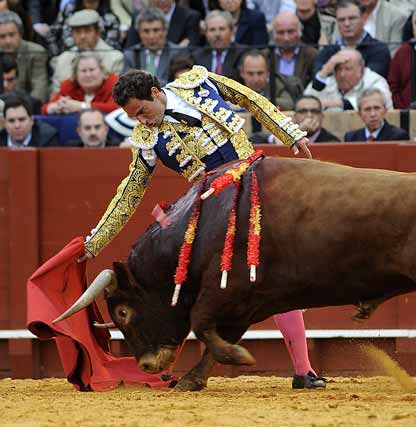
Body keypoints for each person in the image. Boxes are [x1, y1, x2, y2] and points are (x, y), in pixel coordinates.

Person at [76, 66, 323, 389]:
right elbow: (130, 192)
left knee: (277, 275)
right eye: (134, 118)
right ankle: (166, 364)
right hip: (214, 210)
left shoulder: (199, 82)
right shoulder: (147, 141)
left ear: (155, 93)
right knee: (187, 283)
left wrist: (290, 133)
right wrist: (94, 241)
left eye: (142, 112)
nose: (143, 121)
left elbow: (250, 99)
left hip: (257, 185)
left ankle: (303, 371)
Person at [49, 9, 125, 97]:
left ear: (98, 33)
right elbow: (55, 95)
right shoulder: (62, 59)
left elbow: (117, 95)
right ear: (72, 35)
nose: (82, 36)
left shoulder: (115, 58)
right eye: (77, 32)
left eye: (87, 31)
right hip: (68, 108)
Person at [313, 0, 390, 78]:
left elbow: (370, 81)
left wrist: (330, 71)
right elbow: (317, 84)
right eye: (341, 20)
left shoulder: (378, 50)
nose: (347, 24)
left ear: (363, 19)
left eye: (352, 18)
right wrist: (330, 65)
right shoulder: (327, 52)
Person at [304, 47, 393, 112]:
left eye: (348, 69)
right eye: (338, 69)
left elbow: (377, 103)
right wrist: (325, 70)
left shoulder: (375, 81)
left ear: (361, 70)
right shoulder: (328, 80)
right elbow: (305, 101)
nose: (342, 74)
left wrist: (335, 103)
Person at [123, 7, 185, 86]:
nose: (151, 36)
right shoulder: (131, 54)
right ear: (139, 33)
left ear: (165, 31)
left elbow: (180, 84)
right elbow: (125, 86)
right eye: (146, 31)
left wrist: (148, 79)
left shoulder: (178, 53)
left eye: (156, 30)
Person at [43, 52, 119, 115]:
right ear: (76, 74)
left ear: (102, 70)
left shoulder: (113, 83)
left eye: (92, 70)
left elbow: (116, 108)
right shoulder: (69, 86)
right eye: (83, 71)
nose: (88, 75)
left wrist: (81, 106)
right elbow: (44, 109)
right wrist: (56, 107)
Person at [0, 12, 48, 103]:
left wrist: (25, 108)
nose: (8, 41)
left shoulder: (36, 52)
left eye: (11, 35)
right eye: (2, 36)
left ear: (20, 33)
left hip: (27, 106)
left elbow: (39, 89)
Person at [45, 0, 121, 56]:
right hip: (70, 53)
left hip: (100, 55)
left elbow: (112, 44)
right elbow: (55, 33)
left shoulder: (109, 17)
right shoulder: (70, 8)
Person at [238, 50, 303, 112]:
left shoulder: (277, 83)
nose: (256, 79)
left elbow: (289, 103)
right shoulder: (235, 86)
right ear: (242, 73)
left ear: (268, 72)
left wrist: (256, 101)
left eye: (260, 73)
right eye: (250, 74)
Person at [266, 11, 318, 87]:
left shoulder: (313, 56)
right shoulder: (265, 56)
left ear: (300, 32)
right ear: (274, 35)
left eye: (290, 32)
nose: (286, 38)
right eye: (281, 32)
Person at [193, 10, 247, 82]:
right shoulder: (197, 56)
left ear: (232, 31)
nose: (217, 34)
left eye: (222, 29)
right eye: (212, 30)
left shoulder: (243, 54)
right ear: (205, 33)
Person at [125, 0, 201, 48]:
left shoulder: (190, 16)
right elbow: (130, 48)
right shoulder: (139, 17)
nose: (162, 1)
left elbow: (192, 47)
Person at [344, 88, 409, 142]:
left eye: (377, 108)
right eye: (367, 109)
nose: (373, 114)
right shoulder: (351, 138)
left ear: (385, 110)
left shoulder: (399, 136)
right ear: (359, 114)